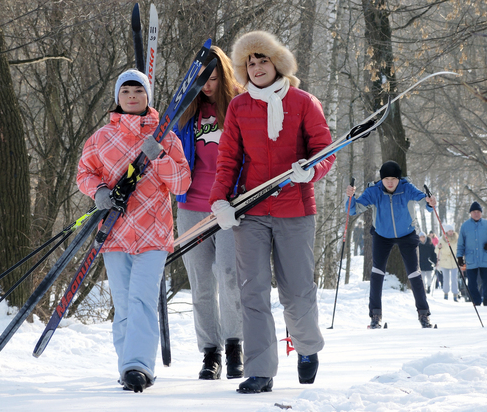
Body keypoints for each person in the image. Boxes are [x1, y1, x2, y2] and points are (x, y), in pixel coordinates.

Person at [209, 31, 335, 393]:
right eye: (250, 62)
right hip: (251, 210)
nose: (257, 66)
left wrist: (310, 169)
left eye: (262, 59)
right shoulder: (238, 106)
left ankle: (307, 348)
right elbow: (228, 159)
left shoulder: (303, 102)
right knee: (252, 291)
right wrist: (221, 201)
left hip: (295, 209)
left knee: (296, 292)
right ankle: (260, 369)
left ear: (277, 62)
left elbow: (325, 149)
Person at [77, 69, 191, 392]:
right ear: (117, 98)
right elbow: (84, 172)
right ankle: (126, 365)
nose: (131, 96)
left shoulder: (164, 136)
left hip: (154, 234)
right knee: (125, 304)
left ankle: (138, 366)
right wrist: (99, 193)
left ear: (147, 98)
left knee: (141, 299)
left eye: (137, 91)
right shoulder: (101, 137)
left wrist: (161, 157)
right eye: (125, 91)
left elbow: (182, 182)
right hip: (114, 234)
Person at [173, 46, 244, 380]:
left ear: (224, 76)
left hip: (229, 207)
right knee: (201, 284)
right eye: (201, 80)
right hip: (191, 206)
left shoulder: (239, 107)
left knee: (229, 276)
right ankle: (210, 352)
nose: (207, 86)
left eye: (213, 78)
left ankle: (234, 346)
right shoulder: (184, 112)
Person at [345, 161, 437, 329]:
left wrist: (430, 203)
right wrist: (350, 197)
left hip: (407, 234)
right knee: (377, 273)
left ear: (398, 179)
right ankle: (375, 316)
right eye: (386, 178)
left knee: (414, 274)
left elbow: (424, 202)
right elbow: (352, 210)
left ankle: (424, 314)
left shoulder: (406, 187)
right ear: (382, 179)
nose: (390, 182)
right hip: (382, 235)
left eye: (393, 179)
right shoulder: (374, 191)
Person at [456, 202, 487, 307]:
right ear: (470, 213)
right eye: (474, 212)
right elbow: (461, 243)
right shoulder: (465, 226)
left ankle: (486, 296)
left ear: (481, 213)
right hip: (471, 259)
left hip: (485, 258)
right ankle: (476, 300)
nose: (476, 214)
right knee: (471, 283)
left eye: (478, 212)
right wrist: (459, 256)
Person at [436, 224, 459, 301]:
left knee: (454, 278)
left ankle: (455, 293)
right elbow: (436, 250)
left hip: (454, 262)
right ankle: (445, 293)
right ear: (446, 232)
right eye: (449, 231)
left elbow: (459, 248)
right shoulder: (442, 240)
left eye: (452, 231)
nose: (451, 232)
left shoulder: (456, 239)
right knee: (446, 279)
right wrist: (438, 248)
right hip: (445, 262)